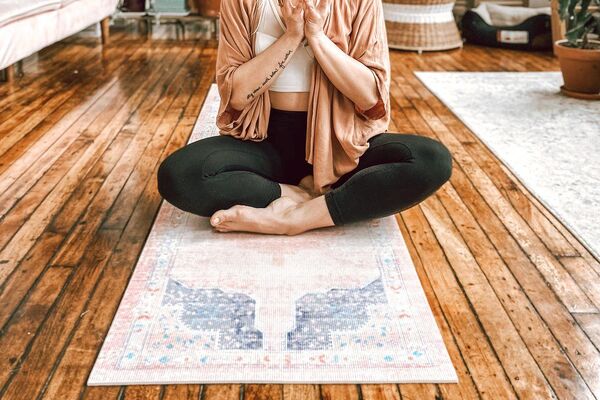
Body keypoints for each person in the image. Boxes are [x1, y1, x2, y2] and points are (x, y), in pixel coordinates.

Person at [157, 0, 452, 235]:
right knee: (179, 176)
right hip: (265, 143)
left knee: (431, 160)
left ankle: (298, 218)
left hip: (340, 145)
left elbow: (370, 98)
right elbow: (236, 96)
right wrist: (291, 36)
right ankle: (299, 194)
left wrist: (316, 37)